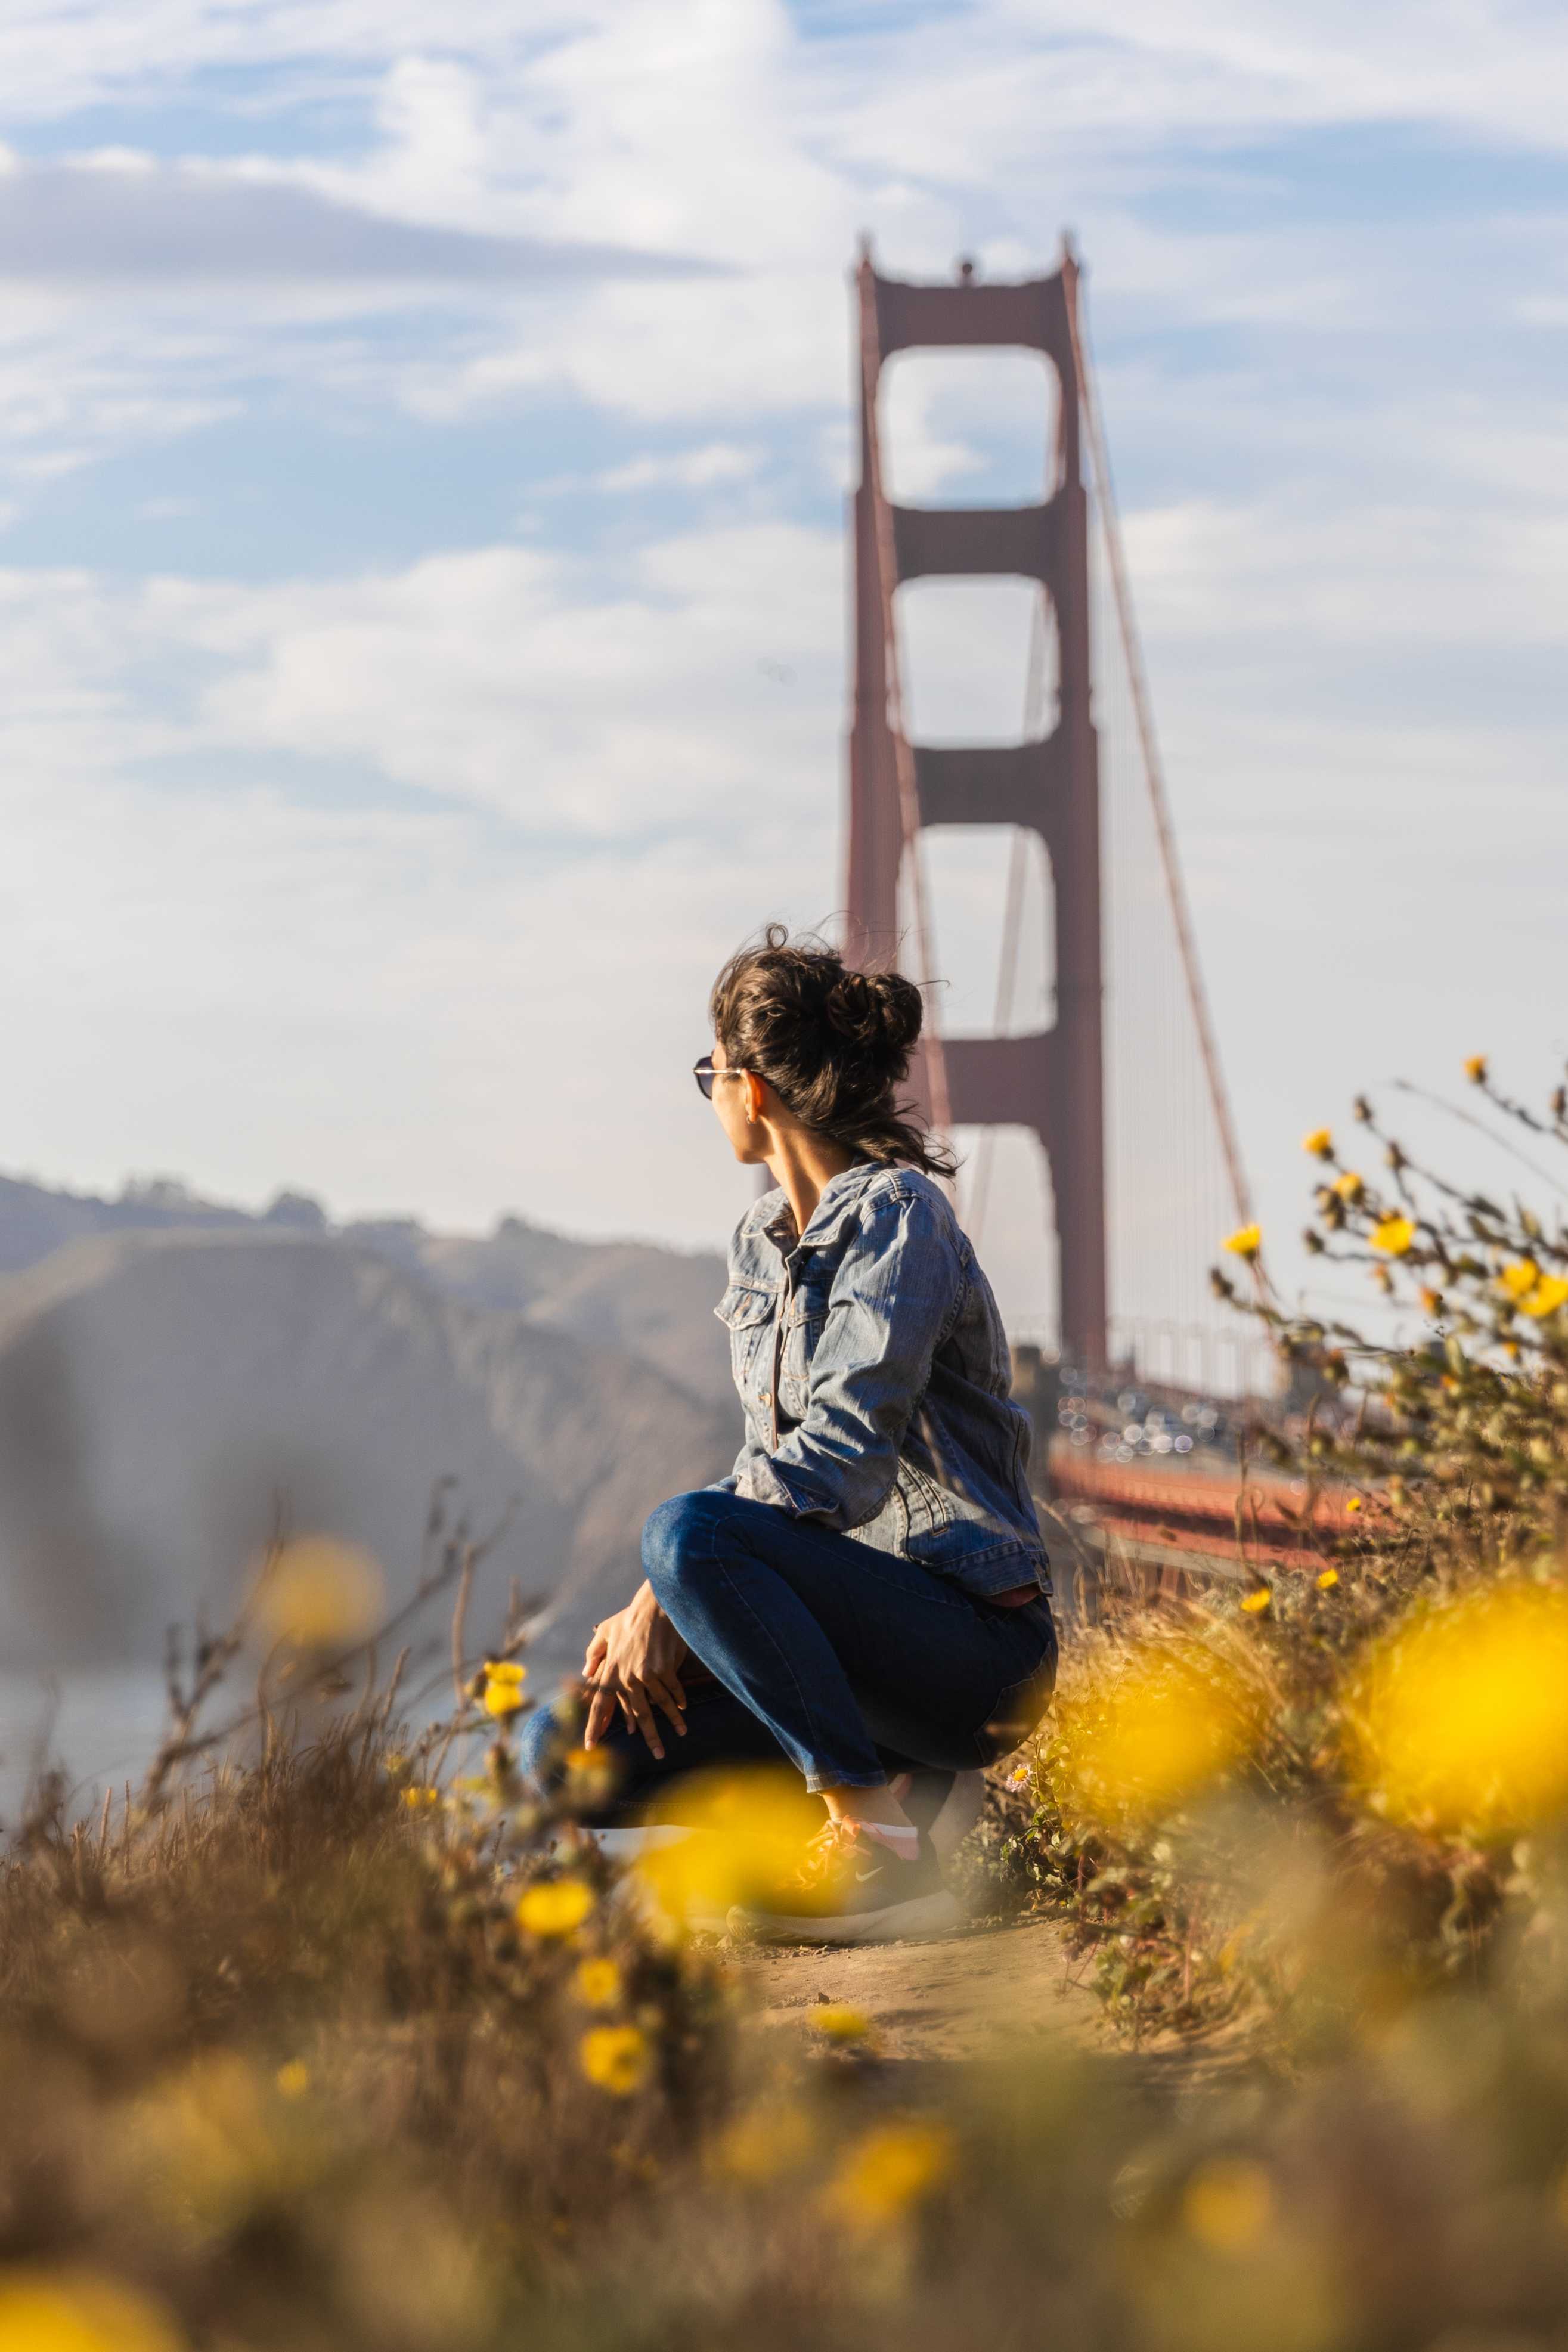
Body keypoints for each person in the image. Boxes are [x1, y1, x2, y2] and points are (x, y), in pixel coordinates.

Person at [519, 926, 1056, 1942]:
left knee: (685, 1531)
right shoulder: (759, 1244)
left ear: (750, 1087)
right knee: (568, 1748)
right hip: (846, 1654)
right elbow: (771, 1465)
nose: (709, 1095)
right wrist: (678, 1606)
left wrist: (662, 1584)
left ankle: (884, 1850)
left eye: (708, 1073)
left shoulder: (901, 1217)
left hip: (970, 1654)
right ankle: (882, 1788)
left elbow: (843, 1456)